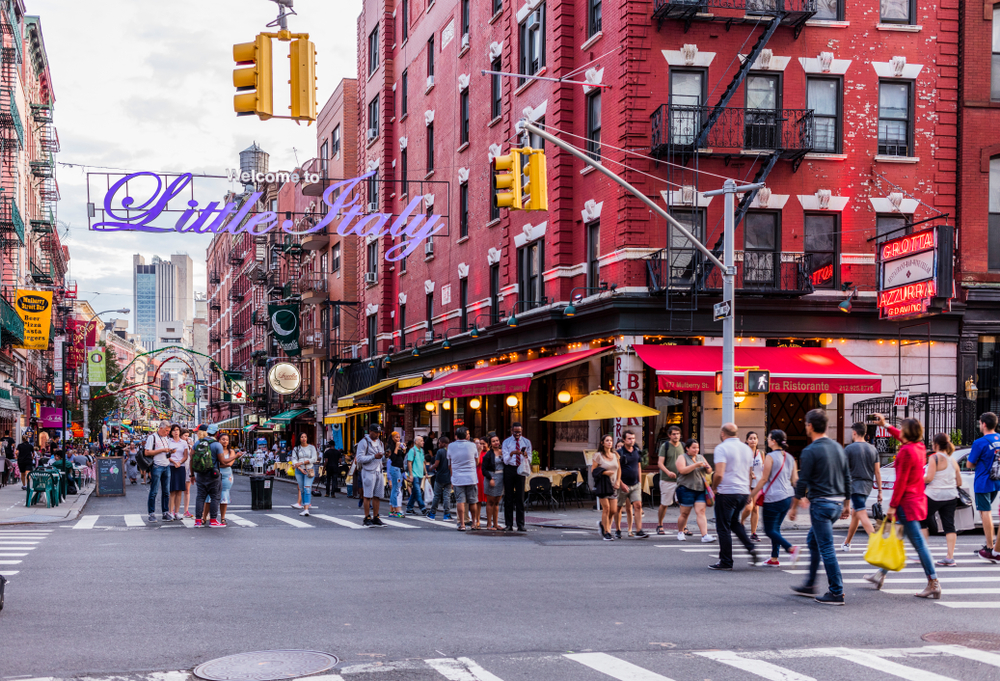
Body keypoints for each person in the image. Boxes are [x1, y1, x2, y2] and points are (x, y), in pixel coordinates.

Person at [864, 415, 941, 599]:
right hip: (914, 501)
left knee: (918, 544)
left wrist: (892, 506)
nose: (901, 430)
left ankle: (933, 582)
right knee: (895, 539)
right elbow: (901, 437)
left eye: (902, 428)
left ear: (907, 432)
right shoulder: (918, 447)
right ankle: (880, 574)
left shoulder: (906, 451)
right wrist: (886, 425)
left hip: (906, 505)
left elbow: (901, 482)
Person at [789, 409, 851, 605]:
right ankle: (810, 584)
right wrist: (847, 504)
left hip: (821, 505)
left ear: (810, 426)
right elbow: (847, 477)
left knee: (826, 547)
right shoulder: (838, 448)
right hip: (836, 504)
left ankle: (836, 592)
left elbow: (802, 481)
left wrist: (794, 506)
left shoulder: (810, 451)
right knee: (814, 541)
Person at [709, 423, 757, 570]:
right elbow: (749, 472)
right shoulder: (746, 449)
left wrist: (714, 487)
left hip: (727, 492)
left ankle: (726, 561)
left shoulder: (721, 448)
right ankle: (750, 547)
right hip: (743, 491)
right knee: (734, 522)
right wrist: (748, 490)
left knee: (723, 527)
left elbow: (719, 473)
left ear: (723, 433)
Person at [750, 430, 799, 567]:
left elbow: (764, 479)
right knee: (775, 528)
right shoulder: (790, 457)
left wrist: (751, 495)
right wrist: (799, 499)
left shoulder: (770, 457)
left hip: (773, 498)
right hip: (787, 497)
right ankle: (774, 558)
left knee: (769, 530)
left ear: (774, 441)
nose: (767, 440)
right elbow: (796, 480)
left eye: (769, 438)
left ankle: (790, 548)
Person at [922, 432, 962, 567]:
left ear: (936, 444)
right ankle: (950, 557)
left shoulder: (934, 458)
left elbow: (929, 478)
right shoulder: (953, 460)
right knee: (949, 525)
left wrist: (916, 478)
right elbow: (959, 482)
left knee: (921, 520)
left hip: (934, 495)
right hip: (951, 496)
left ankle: (923, 553)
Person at [842, 422, 882, 551]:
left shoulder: (849, 449)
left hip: (855, 486)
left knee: (861, 513)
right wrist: (880, 491)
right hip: (867, 486)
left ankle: (876, 543)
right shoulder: (873, 449)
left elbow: (844, 472)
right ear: (865, 433)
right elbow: (877, 472)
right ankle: (847, 543)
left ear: (854, 432)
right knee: (856, 514)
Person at [967, 412, 1000, 559]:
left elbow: (969, 464)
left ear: (984, 424)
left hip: (983, 481)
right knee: (986, 511)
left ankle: (989, 547)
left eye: (980, 423)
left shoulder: (979, 442)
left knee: (985, 512)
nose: (979, 425)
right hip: (997, 480)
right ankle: (991, 545)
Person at [674, 439, 715, 543]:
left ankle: (704, 535)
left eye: (697, 448)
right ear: (687, 448)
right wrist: (696, 465)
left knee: (701, 511)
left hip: (700, 489)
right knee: (685, 513)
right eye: (693, 448)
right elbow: (682, 470)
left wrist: (707, 467)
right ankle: (680, 532)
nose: (696, 450)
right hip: (686, 488)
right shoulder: (682, 457)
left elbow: (709, 470)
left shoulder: (700, 457)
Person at [615, 430, 649, 539]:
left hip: (635, 484)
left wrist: (640, 481)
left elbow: (638, 466)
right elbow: (616, 469)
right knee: (618, 507)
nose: (631, 441)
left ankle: (639, 530)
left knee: (638, 505)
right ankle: (618, 529)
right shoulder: (619, 453)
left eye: (633, 438)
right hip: (623, 484)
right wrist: (621, 483)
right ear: (624, 440)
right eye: (629, 439)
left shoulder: (636, 451)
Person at [449, 427, 481, 531]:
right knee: (473, 501)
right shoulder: (472, 445)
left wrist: (452, 476)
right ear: (466, 436)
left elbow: (450, 463)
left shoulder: (451, 446)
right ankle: (474, 523)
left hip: (458, 477)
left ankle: (462, 524)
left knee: (460, 501)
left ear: (457, 436)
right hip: (471, 477)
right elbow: (477, 461)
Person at [193, 424, 224, 527]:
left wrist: (192, 474)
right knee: (215, 497)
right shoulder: (217, 445)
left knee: (200, 497)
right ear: (217, 433)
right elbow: (223, 461)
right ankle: (213, 520)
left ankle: (198, 520)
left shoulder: (198, 443)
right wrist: (235, 456)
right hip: (213, 475)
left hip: (200, 474)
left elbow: (192, 458)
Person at [501, 422, 530, 532]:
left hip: (521, 468)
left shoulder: (526, 442)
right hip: (509, 468)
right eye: (515, 432)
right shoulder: (506, 442)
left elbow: (530, 457)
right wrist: (512, 453)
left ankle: (520, 524)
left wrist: (526, 456)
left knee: (520, 497)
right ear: (512, 430)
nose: (517, 434)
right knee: (508, 497)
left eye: (519, 432)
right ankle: (508, 524)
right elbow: (505, 460)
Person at [592, 434, 621, 541]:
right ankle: (607, 532)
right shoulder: (598, 456)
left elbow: (619, 469)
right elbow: (593, 471)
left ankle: (603, 524)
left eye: (611, 441)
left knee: (613, 510)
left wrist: (618, 481)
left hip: (613, 485)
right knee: (606, 508)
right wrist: (605, 472)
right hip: (603, 485)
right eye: (607, 440)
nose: (609, 442)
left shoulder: (615, 455)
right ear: (602, 443)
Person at [356, 423, 386, 526]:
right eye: (375, 433)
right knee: (368, 495)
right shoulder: (364, 442)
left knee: (377, 495)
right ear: (370, 431)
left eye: (379, 433)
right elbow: (359, 458)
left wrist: (385, 456)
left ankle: (376, 517)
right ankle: (367, 517)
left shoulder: (380, 443)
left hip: (379, 470)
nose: (377, 435)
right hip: (368, 471)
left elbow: (382, 458)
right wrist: (374, 456)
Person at [656, 425, 683, 536]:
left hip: (681, 480)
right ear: (669, 435)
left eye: (678, 434)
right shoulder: (665, 446)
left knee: (683, 504)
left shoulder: (683, 446)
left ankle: (683, 526)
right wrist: (668, 472)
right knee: (665, 504)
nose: (676, 436)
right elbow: (660, 463)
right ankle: (660, 524)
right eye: (674, 434)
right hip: (667, 480)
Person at [145, 421, 173, 522]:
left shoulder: (166, 438)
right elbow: (147, 452)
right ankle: (151, 513)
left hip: (166, 465)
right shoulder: (152, 437)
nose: (167, 433)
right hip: (157, 466)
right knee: (154, 491)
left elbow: (166, 452)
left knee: (166, 491)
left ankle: (165, 512)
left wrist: (170, 451)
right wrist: (162, 450)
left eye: (168, 431)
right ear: (161, 428)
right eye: (166, 431)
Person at [740, 431, 764, 542]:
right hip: (747, 484)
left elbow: (763, 468)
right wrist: (749, 473)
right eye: (750, 438)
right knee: (749, 507)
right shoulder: (744, 454)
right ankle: (741, 523)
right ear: (747, 441)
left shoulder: (761, 453)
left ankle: (753, 533)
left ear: (757, 440)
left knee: (755, 508)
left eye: (755, 438)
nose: (753, 440)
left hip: (757, 484)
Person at [289, 432, 318, 517]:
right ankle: (305, 506)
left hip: (309, 470)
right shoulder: (296, 448)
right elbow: (294, 459)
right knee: (302, 489)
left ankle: (306, 509)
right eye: (302, 437)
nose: (304, 438)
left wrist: (302, 462)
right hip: (299, 470)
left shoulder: (311, 447)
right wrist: (300, 468)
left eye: (305, 437)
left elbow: (314, 459)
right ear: (299, 438)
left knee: (307, 488)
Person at [166, 424, 190, 521]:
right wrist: (174, 462)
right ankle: (170, 511)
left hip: (181, 466)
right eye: (174, 430)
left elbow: (185, 456)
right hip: (171, 466)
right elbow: (166, 455)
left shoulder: (183, 443)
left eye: (177, 430)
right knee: (172, 490)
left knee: (179, 490)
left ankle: (177, 512)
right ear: (171, 432)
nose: (176, 432)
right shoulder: (168, 441)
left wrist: (179, 462)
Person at [482, 433, 504, 530]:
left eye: (497, 440)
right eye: (493, 441)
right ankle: (489, 524)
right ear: (490, 443)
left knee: (497, 502)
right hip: (491, 477)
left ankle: (496, 523)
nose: (496, 442)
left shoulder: (503, 452)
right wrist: (490, 478)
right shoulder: (488, 454)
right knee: (490, 501)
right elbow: (483, 469)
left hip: (501, 477)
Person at [427, 436, 452, 520]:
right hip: (449, 477)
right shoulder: (451, 451)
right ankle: (447, 514)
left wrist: (431, 467)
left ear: (443, 443)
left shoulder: (440, 451)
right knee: (447, 496)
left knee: (437, 495)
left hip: (440, 476)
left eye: (439, 443)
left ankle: (432, 513)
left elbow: (436, 464)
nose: (438, 444)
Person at [217, 433, 239, 525]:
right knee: (211, 495)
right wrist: (223, 464)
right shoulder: (216, 450)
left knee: (224, 495)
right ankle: (208, 515)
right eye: (223, 439)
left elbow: (230, 464)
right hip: (216, 474)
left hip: (227, 475)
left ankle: (222, 518)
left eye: (226, 439)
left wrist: (219, 464)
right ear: (219, 440)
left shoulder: (231, 451)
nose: (225, 441)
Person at [405, 435, 427, 515]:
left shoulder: (422, 451)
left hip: (420, 474)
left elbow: (423, 462)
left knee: (415, 492)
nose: (423, 442)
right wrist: (411, 475)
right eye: (421, 441)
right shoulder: (412, 450)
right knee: (418, 492)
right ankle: (423, 508)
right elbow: (409, 463)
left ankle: (409, 508)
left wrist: (426, 472)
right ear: (416, 442)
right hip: (414, 475)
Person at [386, 431, 405, 517]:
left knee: (395, 489)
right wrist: (397, 448)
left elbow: (401, 458)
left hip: (399, 469)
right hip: (395, 469)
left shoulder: (399, 446)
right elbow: (392, 459)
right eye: (396, 437)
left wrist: (403, 450)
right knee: (396, 489)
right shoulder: (390, 447)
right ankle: (397, 511)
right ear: (392, 438)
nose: (398, 439)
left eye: (399, 437)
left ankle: (392, 510)